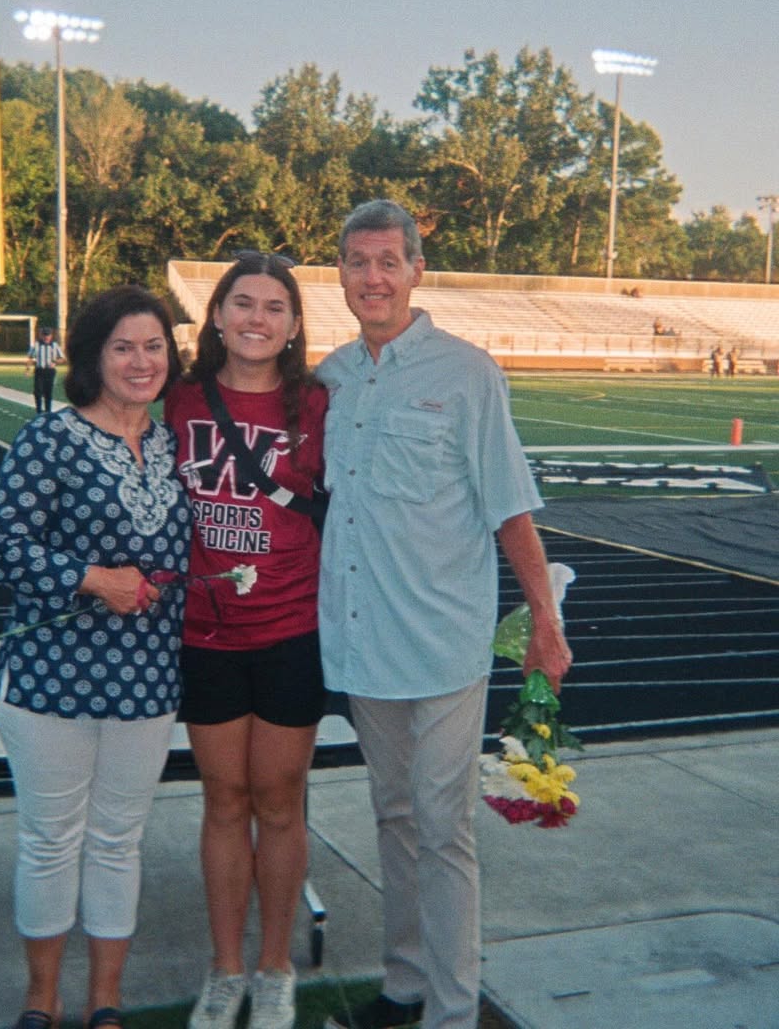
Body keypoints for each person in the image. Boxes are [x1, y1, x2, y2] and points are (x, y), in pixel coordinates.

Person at [316, 201, 573, 1029]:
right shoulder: (330, 379)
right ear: (342, 274)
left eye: (388, 261)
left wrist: (544, 621)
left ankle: (454, 1011)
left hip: (443, 643)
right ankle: (406, 983)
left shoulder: (468, 375)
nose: (374, 278)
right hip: (363, 643)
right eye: (359, 262)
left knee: (442, 827)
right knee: (393, 817)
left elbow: (510, 508)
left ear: (417, 270)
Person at [0, 286, 192, 1029]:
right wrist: (94, 578)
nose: (141, 362)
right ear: (92, 357)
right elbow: (1, 548)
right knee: (50, 841)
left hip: (147, 682)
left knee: (117, 843)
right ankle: (42, 998)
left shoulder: (175, 447)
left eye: (154, 347)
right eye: (123, 347)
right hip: (50, 682)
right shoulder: (48, 439)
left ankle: (107, 1000)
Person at [164, 251, 328, 1029]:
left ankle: (275, 967)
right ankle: (226, 968)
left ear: (293, 325)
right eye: (242, 302)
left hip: (293, 628)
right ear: (218, 315)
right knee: (224, 799)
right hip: (206, 632)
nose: (257, 318)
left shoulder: (319, 405)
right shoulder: (179, 398)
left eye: (274, 306)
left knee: (280, 801)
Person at [27, 324, 63, 413]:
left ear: (51, 336)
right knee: (37, 392)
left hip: (50, 371)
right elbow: (30, 357)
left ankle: (48, 411)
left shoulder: (54, 345)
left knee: (48, 392)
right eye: (45, 335)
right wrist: (28, 369)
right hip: (39, 370)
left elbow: (62, 358)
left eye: (48, 335)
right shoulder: (36, 345)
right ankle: (39, 411)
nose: (46, 337)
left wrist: (54, 362)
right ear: (42, 335)